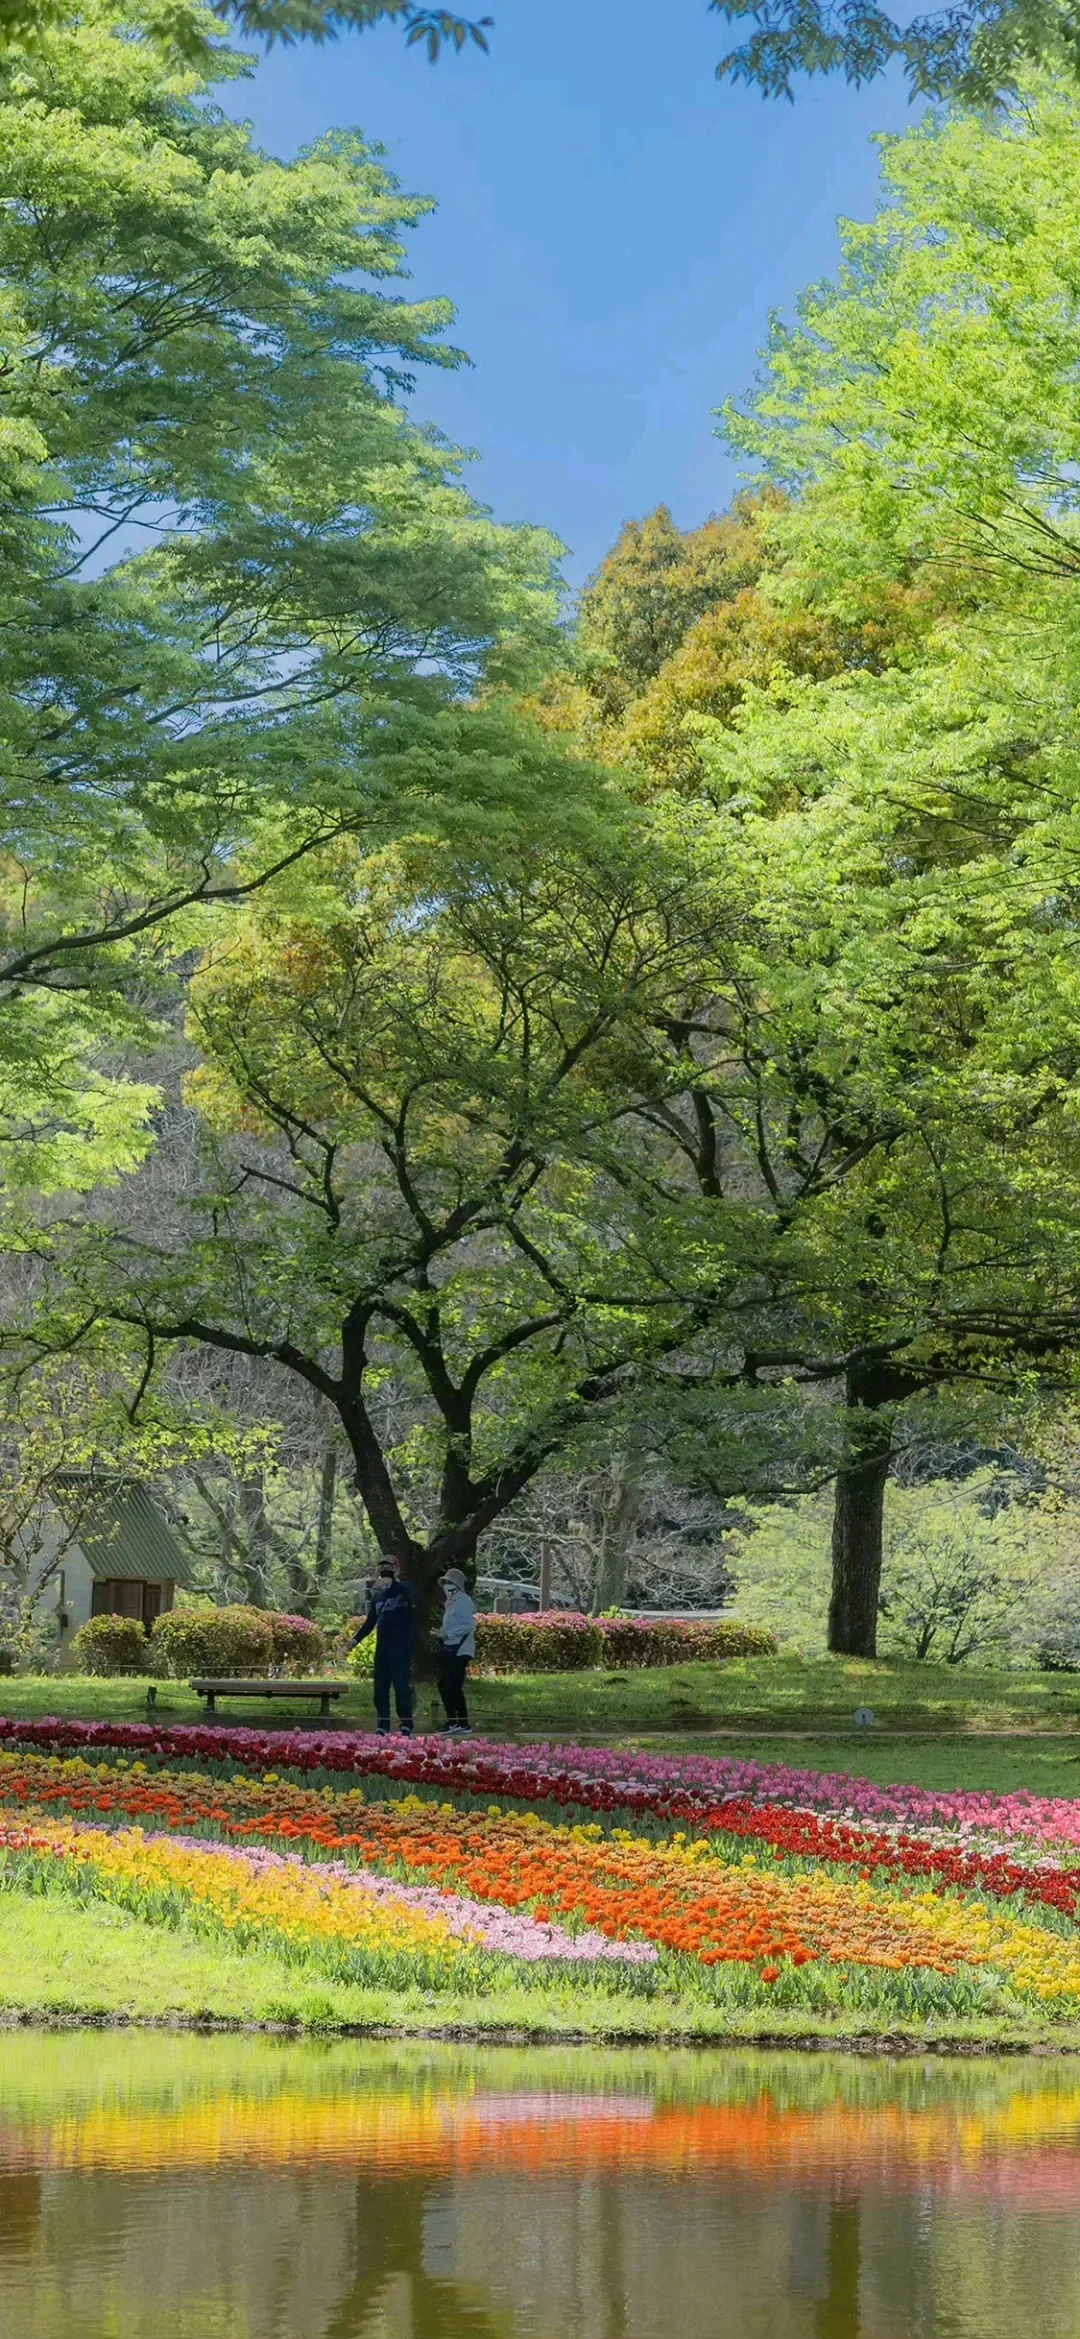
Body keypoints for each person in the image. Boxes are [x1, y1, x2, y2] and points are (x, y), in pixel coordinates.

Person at [351, 1555, 416, 1735]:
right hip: (383, 1650)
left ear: (397, 1568)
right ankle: (383, 1724)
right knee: (380, 1688)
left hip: (401, 1649)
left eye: (388, 1566)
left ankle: (406, 1723)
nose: (384, 1570)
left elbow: (409, 1595)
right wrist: (355, 1640)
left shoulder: (405, 1589)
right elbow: (370, 1622)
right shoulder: (378, 1597)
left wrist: (392, 1581)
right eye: (381, 1567)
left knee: (402, 1687)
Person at [436, 1567, 476, 1733]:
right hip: (450, 1647)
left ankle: (461, 1722)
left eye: (449, 1582)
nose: (446, 1585)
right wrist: (442, 1633)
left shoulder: (464, 1601)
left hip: (460, 1650)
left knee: (452, 1685)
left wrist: (449, 1633)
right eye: (444, 1582)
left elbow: (469, 1624)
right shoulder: (451, 1603)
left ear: (458, 1585)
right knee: (446, 1684)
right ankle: (454, 1721)